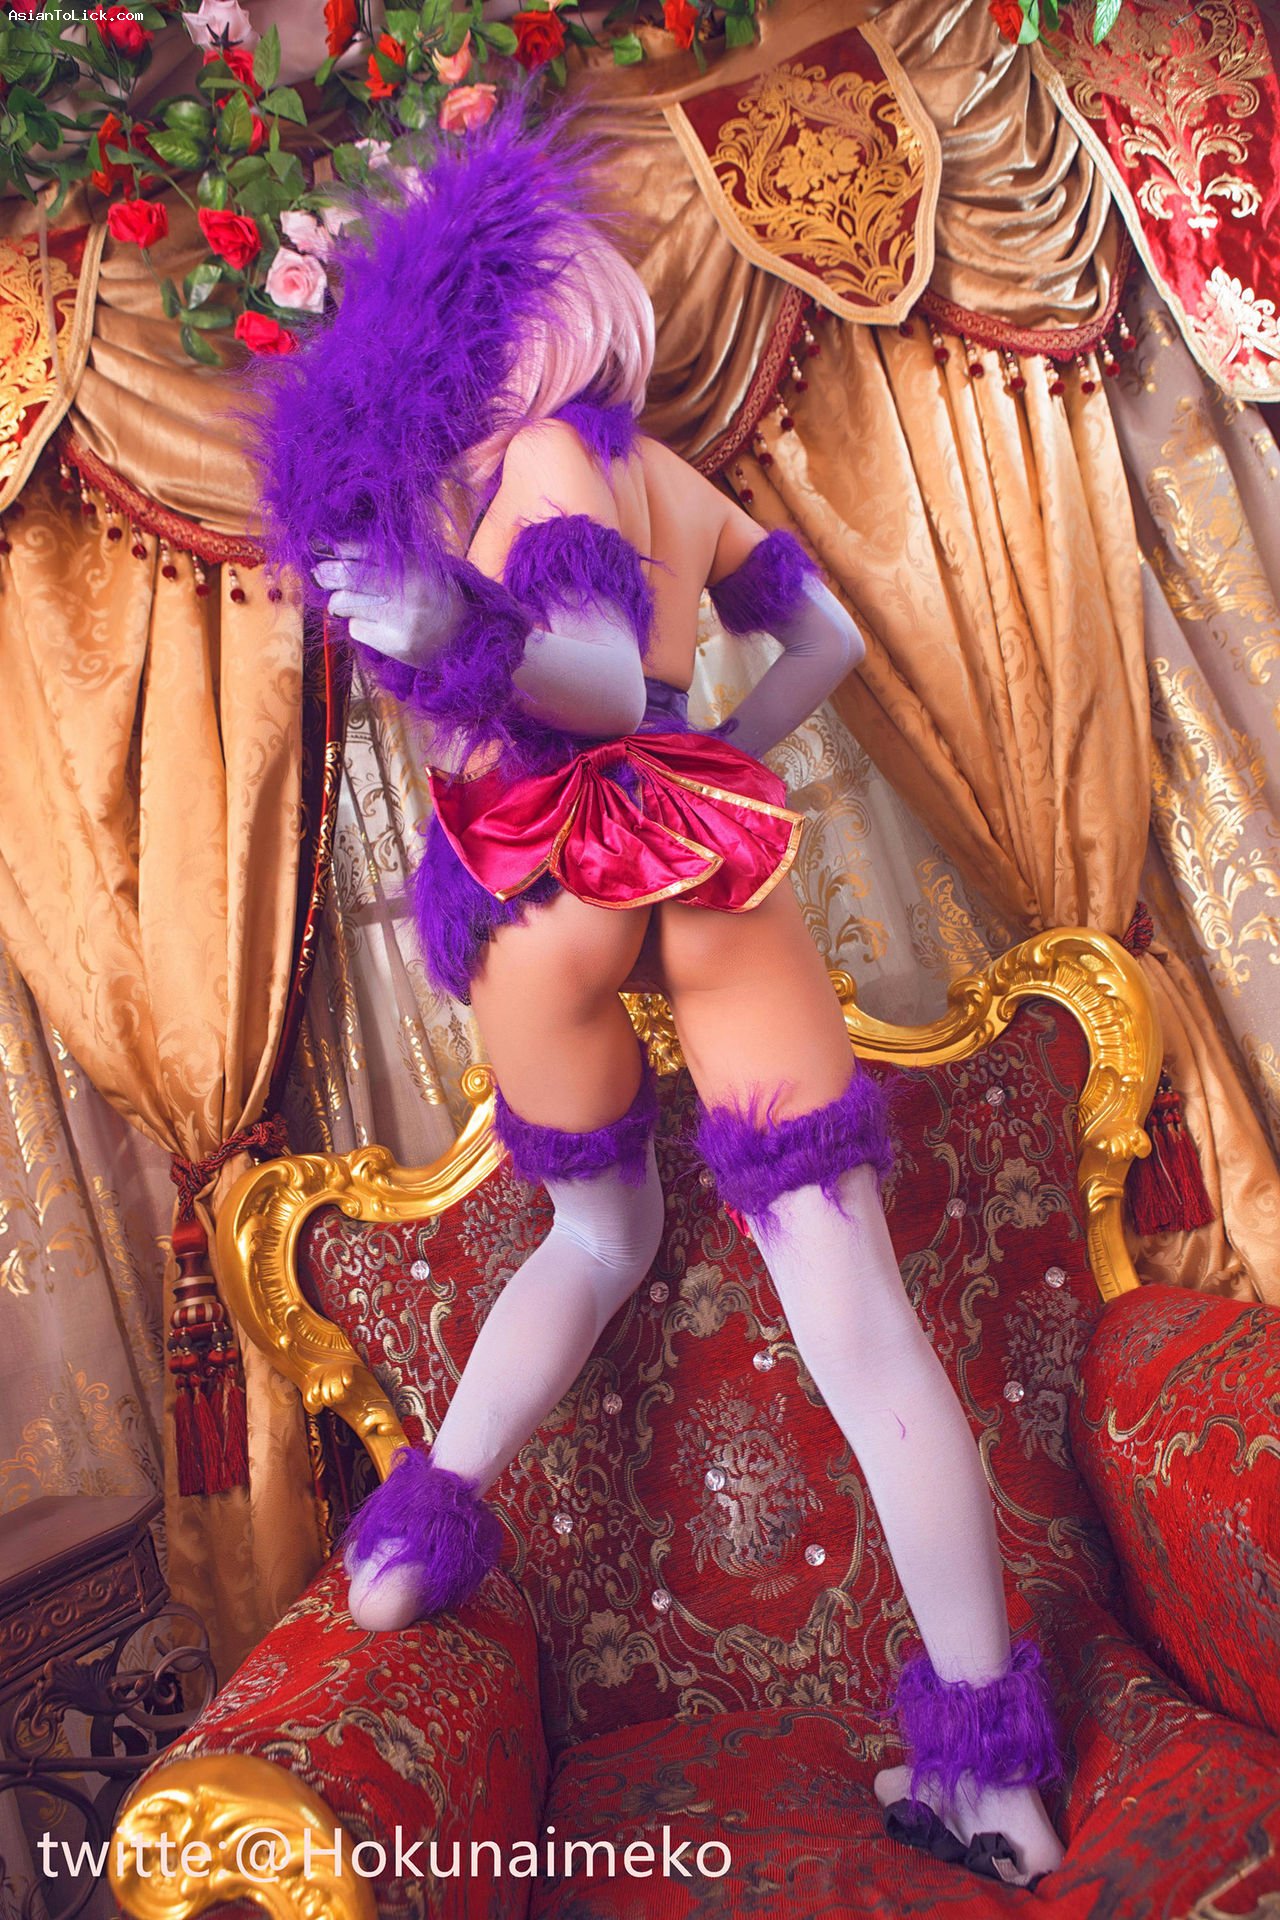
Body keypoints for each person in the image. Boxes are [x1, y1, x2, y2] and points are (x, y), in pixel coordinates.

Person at [253, 95, 1065, 1887]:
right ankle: (993, 1772)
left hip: (544, 886)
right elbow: (821, 642)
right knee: (861, 1319)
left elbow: (599, 682)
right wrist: (725, 766)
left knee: (597, 1235)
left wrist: (454, 633)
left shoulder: (541, 460)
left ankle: (418, 1530)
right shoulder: (669, 477)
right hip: (698, 869)